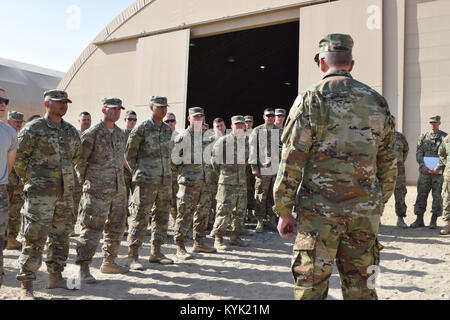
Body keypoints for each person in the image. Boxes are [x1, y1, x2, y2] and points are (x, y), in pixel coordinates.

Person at [273, 34, 397, 300]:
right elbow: (389, 162)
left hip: (319, 216)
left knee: (311, 287)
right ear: (351, 64)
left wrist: (284, 210)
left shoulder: (310, 100)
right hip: (364, 215)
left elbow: (292, 160)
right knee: (363, 288)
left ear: (321, 63)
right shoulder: (377, 102)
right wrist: (376, 203)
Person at [15, 90, 81, 299]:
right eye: (59, 102)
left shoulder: (70, 131)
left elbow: (76, 157)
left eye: (66, 102)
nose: (64, 106)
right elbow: (19, 159)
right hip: (39, 196)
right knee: (34, 238)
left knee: (60, 238)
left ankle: (55, 276)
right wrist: (34, 182)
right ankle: (27, 284)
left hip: (64, 195)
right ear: (47, 103)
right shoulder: (33, 129)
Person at [75, 98, 129, 284]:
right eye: (112, 109)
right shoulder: (92, 134)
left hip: (118, 188)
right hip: (97, 190)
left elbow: (120, 159)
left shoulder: (121, 134)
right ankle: (83, 267)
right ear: (103, 110)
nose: (116, 112)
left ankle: (109, 262)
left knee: (117, 226)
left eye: (118, 109)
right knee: (92, 228)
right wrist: (85, 185)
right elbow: (80, 162)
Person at [125, 96, 174, 270]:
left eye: (165, 107)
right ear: (151, 107)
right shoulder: (142, 129)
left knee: (161, 217)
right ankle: (132, 255)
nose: (163, 110)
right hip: (146, 181)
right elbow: (129, 155)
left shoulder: (168, 131)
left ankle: (156, 252)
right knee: (140, 217)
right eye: (159, 107)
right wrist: (139, 172)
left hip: (164, 181)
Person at [172, 107, 216, 260]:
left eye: (200, 117)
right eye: (195, 117)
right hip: (189, 184)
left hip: (204, 183)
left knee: (202, 214)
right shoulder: (182, 138)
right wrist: (185, 175)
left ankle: (199, 242)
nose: (198, 120)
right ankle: (180, 246)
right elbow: (173, 161)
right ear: (189, 119)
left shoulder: (206, 137)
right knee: (184, 215)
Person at [211, 116, 249, 251]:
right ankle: (218, 238)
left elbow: (247, 161)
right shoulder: (223, 142)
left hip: (241, 182)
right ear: (231, 126)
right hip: (227, 182)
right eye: (236, 125)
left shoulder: (246, 142)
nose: (238, 127)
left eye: (241, 125)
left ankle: (235, 236)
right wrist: (223, 175)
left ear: (244, 127)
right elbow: (214, 162)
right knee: (223, 210)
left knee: (240, 210)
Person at [411, 116, 447, 229]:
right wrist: (422, 165)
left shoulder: (445, 137)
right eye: (431, 123)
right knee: (421, 194)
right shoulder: (423, 137)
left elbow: (446, 154)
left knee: (437, 196)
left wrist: (439, 167)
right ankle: (419, 219)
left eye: (435, 123)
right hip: (425, 172)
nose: (433, 125)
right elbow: (419, 152)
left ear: (439, 123)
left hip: (438, 173)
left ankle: (433, 220)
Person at [249, 108, 281, 232]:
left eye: (273, 115)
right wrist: (254, 167)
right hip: (263, 169)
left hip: (276, 169)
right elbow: (253, 150)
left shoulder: (280, 131)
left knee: (274, 195)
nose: (271, 118)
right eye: (268, 115)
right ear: (264, 116)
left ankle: (272, 218)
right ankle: (260, 221)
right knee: (261, 195)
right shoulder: (257, 131)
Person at [0, 88, 19, 289]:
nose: (3, 104)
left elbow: (9, 164)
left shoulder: (9, 132)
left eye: (6, 100)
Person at [5, 111, 25, 250]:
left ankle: (11, 238)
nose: (18, 124)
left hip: (19, 182)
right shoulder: (4, 136)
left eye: (20, 122)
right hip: (6, 181)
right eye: (15, 121)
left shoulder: (23, 137)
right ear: (8, 121)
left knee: (16, 211)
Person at [123, 110, 137, 234]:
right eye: (130, 119)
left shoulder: (138, 135)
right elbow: (120, 156)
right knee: (123, 200)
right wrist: (130, 169)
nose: (132, 122)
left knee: (138, 201)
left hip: (136, 173)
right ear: (125, 120)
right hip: (124, 173)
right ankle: (124, 226)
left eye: (134, 120)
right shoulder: (121, 135)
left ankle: (138, 226)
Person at [164, 112, 179, 225]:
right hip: (162, 174)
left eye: (172, 121)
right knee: (160, 200)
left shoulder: (180, 138)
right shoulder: (160, 137)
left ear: (175, 122)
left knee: (175, 199)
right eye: (167, 121)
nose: (170, 123)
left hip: (176, 174)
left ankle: (175, 221)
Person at [393, 131, 409, 228]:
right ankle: (378, 219)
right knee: (380, 193)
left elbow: (406, 151)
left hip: (399, 170)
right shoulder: (380, 134)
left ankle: (400, 218)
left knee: (400, 193)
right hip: (383, 170)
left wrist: (400, 162)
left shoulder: (400, 137)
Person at [435, 135, 450, 235]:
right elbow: (441, 153)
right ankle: (447, 224)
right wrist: (448, 164)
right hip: (449, 175)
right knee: (447, 199)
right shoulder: (448, 139)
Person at [244, 116, 256, 222]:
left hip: (252, 166)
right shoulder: (239, 134)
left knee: (251, 190)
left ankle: (250, 212)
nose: (248, 124)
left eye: (249, 122)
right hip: (243, 167)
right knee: (243, 190)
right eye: (246, 122)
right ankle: (242, 213)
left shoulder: (255, 133)